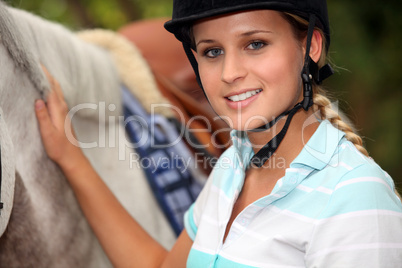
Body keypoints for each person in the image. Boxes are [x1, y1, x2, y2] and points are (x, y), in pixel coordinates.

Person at [34, 0, 402, 267]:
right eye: (211, 52)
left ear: (311, 47)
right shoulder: (233, 167)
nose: (229, 73)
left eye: (255, 44)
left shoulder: (355, 199)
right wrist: (71, 158)